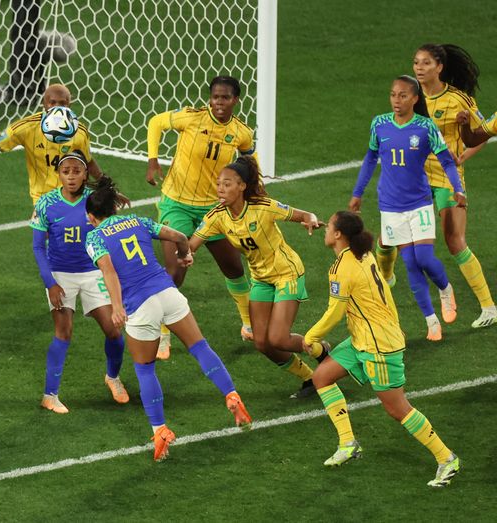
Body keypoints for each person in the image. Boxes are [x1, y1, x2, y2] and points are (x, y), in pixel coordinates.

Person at [84, 176, 252, 462]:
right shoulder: (138, 220)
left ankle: (160, 430)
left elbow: (109, 271)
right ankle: (232, 395)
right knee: (200, 348)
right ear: (114, 208)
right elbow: (178, 237)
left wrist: (115, 307)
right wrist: (185, 256)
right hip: (168, 292)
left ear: (91, 217)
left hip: (140, 305)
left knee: (146, 370)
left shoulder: (94, 237)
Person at [303, 211, 460, 487]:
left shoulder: (342, 269)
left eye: (330, 225)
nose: (326, 227)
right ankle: (348, 443)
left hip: (379, 346)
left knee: (398, 409)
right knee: (322, 377)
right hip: (363, 338)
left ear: (339, 235)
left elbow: (334, 313)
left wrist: (311, 337)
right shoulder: (363, 253)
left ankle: (446, 458)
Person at [189, 156, 328, 399]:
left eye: (227, 184)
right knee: (262, 343)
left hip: (287, 273)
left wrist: (312, 221)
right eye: (219, 183)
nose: (221, 189)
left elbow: (305, 215)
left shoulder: (263, 207)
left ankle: (323, 351)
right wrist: (186, 254)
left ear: (242, 186)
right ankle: (309, 378)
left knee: (278, 338)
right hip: (261, 279)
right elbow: (192, 244)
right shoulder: (217, 216)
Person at [146, 75, 255, 360]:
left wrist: (255, 187)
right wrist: (153, 159)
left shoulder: (241, 132)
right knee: (175, 272)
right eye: (215, 97)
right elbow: (156, 122)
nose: (219, 103)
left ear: (235, 100)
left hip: (213, 209)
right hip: (177, 205)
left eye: (225, 98)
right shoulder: (191, 119)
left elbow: (248, 159)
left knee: (233, 266)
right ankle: (162, 333)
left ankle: (248, 324)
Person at [350, 75, 466, 341]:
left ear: (415, 98)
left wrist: (457, 188)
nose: (396, 100)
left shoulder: (425, 127)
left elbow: (447, 161)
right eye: (393, 95)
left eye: (403, 95)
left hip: (419, 203)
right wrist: (357, 193)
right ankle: (431, 321)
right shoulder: (379, 124)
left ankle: (445, 289)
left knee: (424, 258)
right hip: (390, 206)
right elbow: (370, 158)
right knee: (411, 263)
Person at [30, 151, 128, 413]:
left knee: (114, 330)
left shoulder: (95, 202)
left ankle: (113, 377)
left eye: (76, 171)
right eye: (66, 172)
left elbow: (111, 234)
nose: (71, 177)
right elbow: (38, 248)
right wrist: (50, 283)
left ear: (86, 174)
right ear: (58, 175)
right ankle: (50, 395)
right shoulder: (45, 203)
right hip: (60, 274)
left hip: (93, 272)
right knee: (64, 332)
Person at [410, 44, 495, 329]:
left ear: (439, 67)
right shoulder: (411, 95)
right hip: (415, 179)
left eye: (425, 63)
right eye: (416, 63)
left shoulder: (459, 100)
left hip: (447, 179)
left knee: (454, 240)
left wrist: (462, 156)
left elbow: (481, 134)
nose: (419, 68)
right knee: (394, 237)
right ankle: (385, 279)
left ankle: (488, 306)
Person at [0, 83, 102, 204]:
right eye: (52, 103)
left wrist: (107, 187)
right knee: (45, 235)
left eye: (62, 103)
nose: (57, 108)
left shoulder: (80, 131)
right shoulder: (27, 127)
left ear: (69, 105)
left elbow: (88, 162)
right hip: (44, 200)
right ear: (44, 103)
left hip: (75, 197)